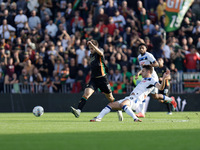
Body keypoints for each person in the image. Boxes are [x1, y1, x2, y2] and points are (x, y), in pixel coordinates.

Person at [90, 65, 172, 122]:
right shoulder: (144, 79)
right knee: (110, 104)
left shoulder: (152, 80)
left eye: (143, 71)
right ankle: (98, 118)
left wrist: (164, 78)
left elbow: (161, 87)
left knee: (122, 104)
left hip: (136, 99)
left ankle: (135, 118)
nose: (141, 72)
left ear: (148, 71)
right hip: (129, 98)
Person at [71, 39, 123, 121]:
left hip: (102, 79)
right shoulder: (91, 56)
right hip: (94, 79)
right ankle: (78, 110)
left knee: (110, 97)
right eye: (90, 48)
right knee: (86, 93)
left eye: (92, 48)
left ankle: (118, 109)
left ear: (95, 47)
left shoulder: (99, 53)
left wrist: (93, 45)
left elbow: (101, 53)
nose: (90, 50)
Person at [135, 43, 176, 118]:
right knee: (156, 96)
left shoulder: (148, 55)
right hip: (146, 77)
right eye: (140, 48)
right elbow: (143, 68)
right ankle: (171, 99)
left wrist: (149, 66)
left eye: (142, 48)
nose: (141, 49)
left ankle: (142, 112)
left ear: (146, 49)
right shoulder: (139, 57)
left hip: (152, 77)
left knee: (143, 92)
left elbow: (156, 64)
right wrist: (138, 73)